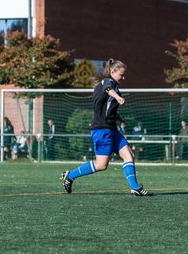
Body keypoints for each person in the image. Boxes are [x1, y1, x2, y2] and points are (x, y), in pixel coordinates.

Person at [61, 58, 152, 196]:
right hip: (101, 129)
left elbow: (106, 108)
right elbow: (107, 89)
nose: (123, 77)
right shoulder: (107, 82)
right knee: (101, 165)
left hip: (111, 129)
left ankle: (135, 188)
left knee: (129, 154)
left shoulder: (114, 85)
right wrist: (118, 97)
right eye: (121, 75)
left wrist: (118, 117)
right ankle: (70, 176)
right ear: (112, 72)